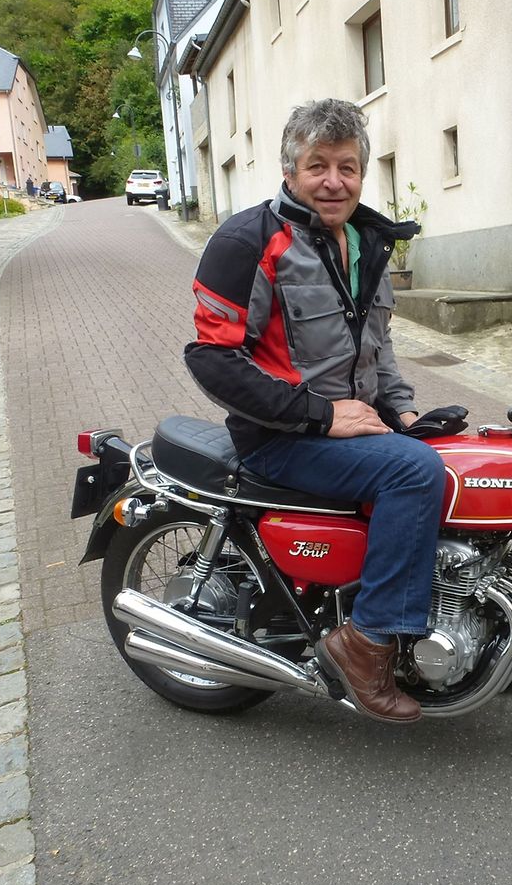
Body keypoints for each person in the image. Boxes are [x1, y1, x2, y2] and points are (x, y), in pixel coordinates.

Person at [184, 99, 443, 724]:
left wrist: (404, 412)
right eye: (317, 166)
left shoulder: (366, 242)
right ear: (289, 170)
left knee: (455, 461)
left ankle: (463, 629)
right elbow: (213, 360)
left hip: (352, 429)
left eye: (347, 167)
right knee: (414, 474)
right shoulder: (247, 241)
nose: (334, 181)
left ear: (362, 174)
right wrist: (321, 417)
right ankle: (366, 643)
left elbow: (378, 349)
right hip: (279, 437)